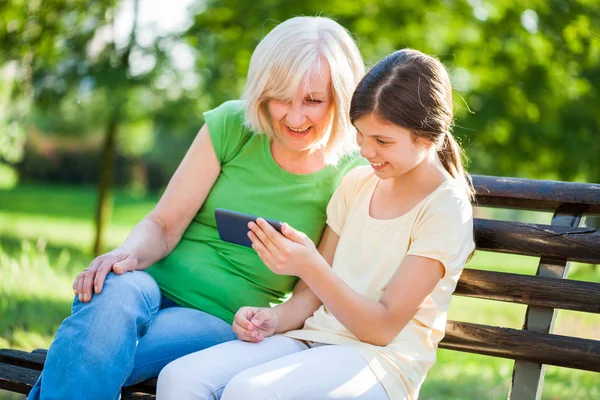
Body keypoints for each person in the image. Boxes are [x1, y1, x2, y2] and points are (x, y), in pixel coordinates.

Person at [27, 16, 365, 400]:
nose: (294, 116)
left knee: (97, 348)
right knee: (112, 294)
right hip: (148, 281)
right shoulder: (233, 126)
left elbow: (311, 291)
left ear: (342, 96)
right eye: (281, 98)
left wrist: (271, 321)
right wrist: (126, 254)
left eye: (313, 101)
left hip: (218, 318)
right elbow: (163, 224)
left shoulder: (349, 178)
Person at [156, 48, 476, 400]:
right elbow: (310, 297)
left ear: (429, 136)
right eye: (360, 135)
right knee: (180, 377)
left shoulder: (445, 209)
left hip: (380, 363)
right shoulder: (357, 183)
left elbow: (382, 328)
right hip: (313, 339)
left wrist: (309, 264)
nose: (366, 151)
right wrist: (273, 319)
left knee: (251, 392)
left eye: (382, 141)